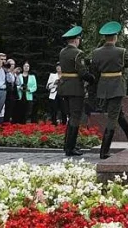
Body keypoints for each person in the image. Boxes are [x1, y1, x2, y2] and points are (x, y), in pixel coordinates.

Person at [92, 21, 128, 159]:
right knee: (113, 117)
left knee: (117, 112)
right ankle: (104, 151)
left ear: (105, 37)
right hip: (116, 87)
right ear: (115, 37)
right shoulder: (121, 52)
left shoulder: (96, 52)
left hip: (103, 87)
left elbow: (94, 69)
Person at [58, 26, 89, 156]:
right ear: (76, 40)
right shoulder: (78, 53)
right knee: (75, 117)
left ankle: (67, 146)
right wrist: (91, 78)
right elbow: (81, 72)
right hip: (76, 88)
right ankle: (70, 148)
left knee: (70, 117)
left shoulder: (62, 52)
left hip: (64, 87)